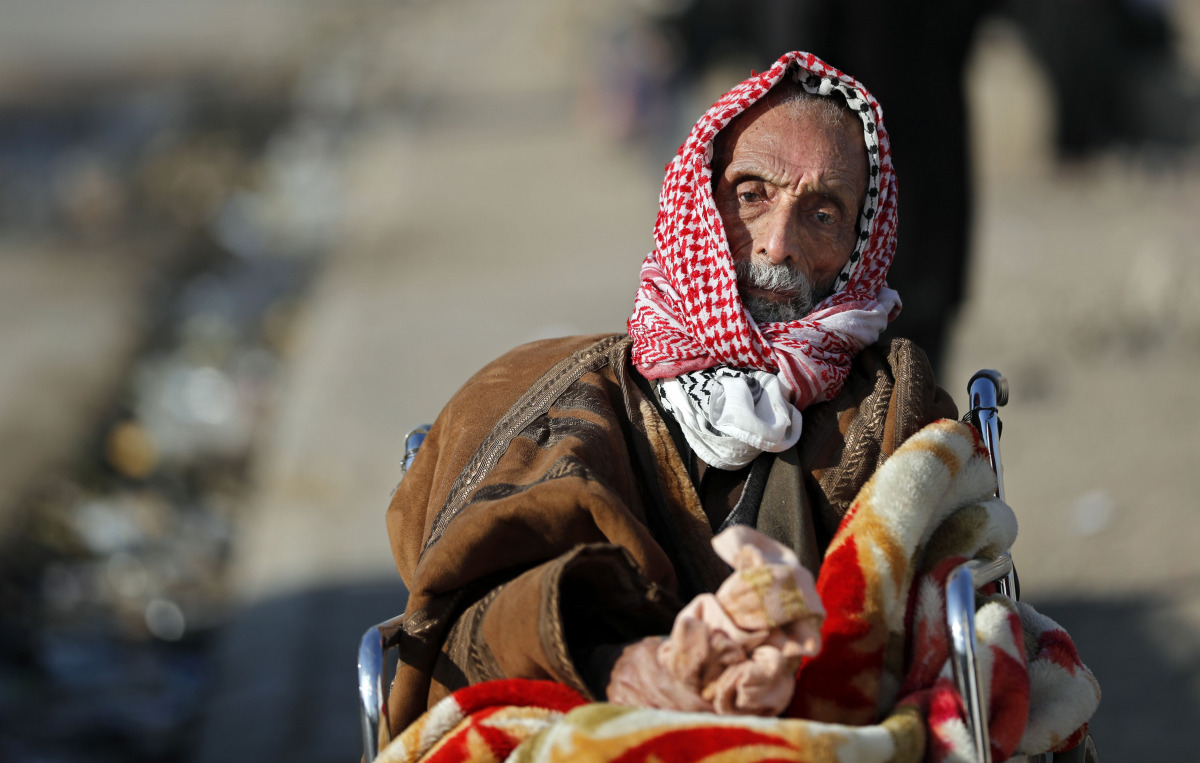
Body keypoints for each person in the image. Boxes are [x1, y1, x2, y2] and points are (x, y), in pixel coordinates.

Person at [383, 51, 957, 736]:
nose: (777, 245)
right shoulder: (558, 391)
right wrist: (632, 667)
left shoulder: (892, 404)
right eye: (751, 195)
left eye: (824, 214)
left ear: (861, 242)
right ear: (699, 202)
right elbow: (467, 615)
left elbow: (934, 618)